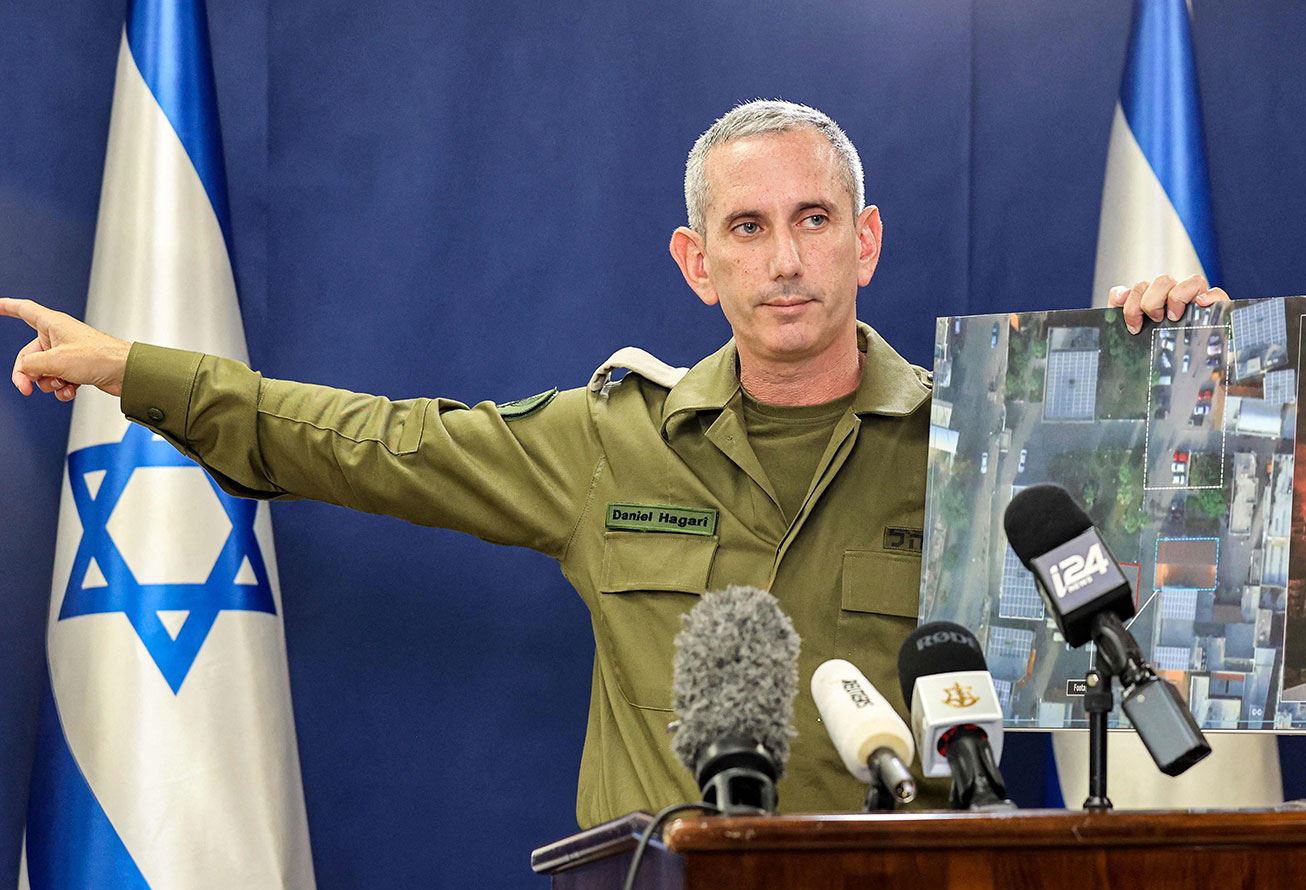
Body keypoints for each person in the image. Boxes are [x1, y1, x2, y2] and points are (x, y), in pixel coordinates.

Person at [4, 100, 1223, 827]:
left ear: (866, 241)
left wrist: (1197, 372)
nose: (784, 260)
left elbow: (1187, 594)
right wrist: (135, 369)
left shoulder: (990, 442)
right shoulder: (608, 438)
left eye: (813, 220)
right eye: (748, 227)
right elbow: (368, 443)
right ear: (698, 262)